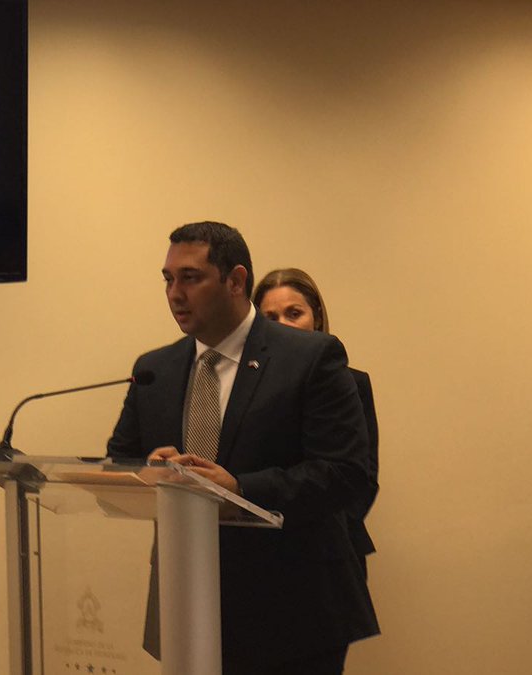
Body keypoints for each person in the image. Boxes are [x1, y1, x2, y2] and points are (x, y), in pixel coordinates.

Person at [107, 221, 379, 674]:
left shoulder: (310, 357)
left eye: (190, 278)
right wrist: (147, 469)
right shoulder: (156, 368)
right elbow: (120, 461)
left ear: (235, 281)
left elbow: (345, 474)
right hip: (185, 602)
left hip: (293, 612)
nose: (174, 294)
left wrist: (240, 489)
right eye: (168, 279)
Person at [253, 268, 380, 578]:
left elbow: (362, 476)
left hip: (331, 550)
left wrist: (327, 528)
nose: (283, 325)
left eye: (294, 313)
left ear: (317, 318)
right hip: (259, 546)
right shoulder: (245, 389)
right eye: (270, 318)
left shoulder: (351, 383)